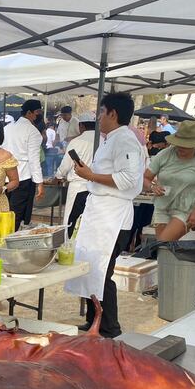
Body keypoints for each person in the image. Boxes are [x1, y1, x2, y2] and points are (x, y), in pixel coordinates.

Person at [65, 92, 144, 338]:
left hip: (113, 214)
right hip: (99, 210)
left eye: (101, 112)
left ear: (113, 113)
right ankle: (94, 320)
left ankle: (109, 327)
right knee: (91, 268)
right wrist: (90, 174)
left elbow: (128, 179)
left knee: (103, 271)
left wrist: (90, 176)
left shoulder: (126, 140)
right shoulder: (110, 139)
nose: (98, 117)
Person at [142, 120, 195, 242]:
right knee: (162, 246)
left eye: (186, 146)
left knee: (163, 242)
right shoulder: (165, 154)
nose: (181, 148)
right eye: (179, 144)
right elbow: (146, 177)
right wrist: (152, 187)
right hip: (162, 206)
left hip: (187, 209)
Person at [1, 99, 45, 231]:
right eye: (37, 112)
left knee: (4, 211)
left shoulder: (7, 128)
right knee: (16, 213)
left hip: (6, 176)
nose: (39, 115)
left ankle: (2, 236)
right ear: (29, 113)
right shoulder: (33, 132)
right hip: (23, 177)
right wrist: (40, 183)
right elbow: (34, 159)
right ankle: (8, 238)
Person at [54, 113, 96, 233]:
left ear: (81, 126)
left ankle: (68, 241)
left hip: (78, 186)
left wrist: (58, 176)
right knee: (89, 219)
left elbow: (66, 164)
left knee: (71, 218)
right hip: (97, 185)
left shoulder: (77, 141)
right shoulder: (103, 140)